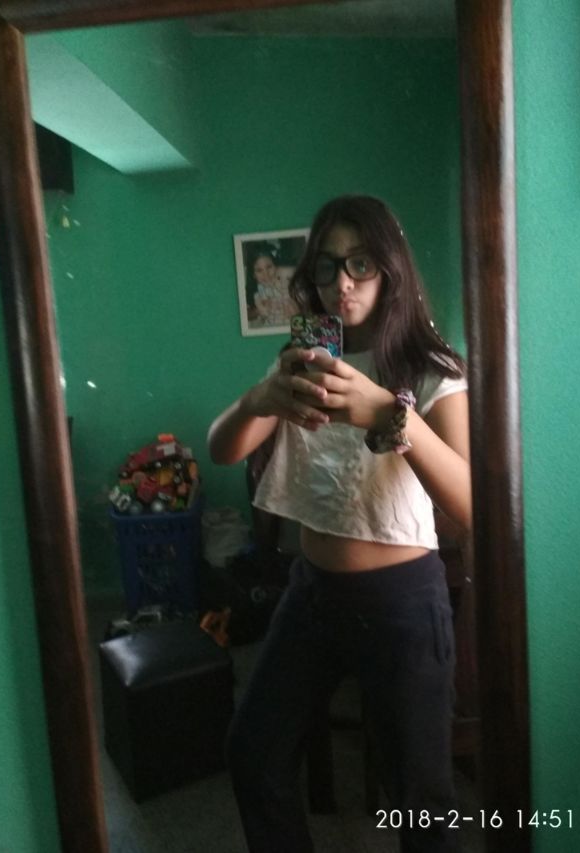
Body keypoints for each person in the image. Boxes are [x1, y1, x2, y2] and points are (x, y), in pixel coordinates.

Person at [208, 195, 470, 853]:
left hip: (402, 604)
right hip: (312, 594)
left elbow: (475, 506)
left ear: (389, 268)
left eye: (359, 263)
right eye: (327, 266)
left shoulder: (431, 367)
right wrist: (260, 397)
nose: (342, 282)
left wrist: (389, 412)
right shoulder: (304, 360)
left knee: (420, 801)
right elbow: (222, 448)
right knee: (253, 751)